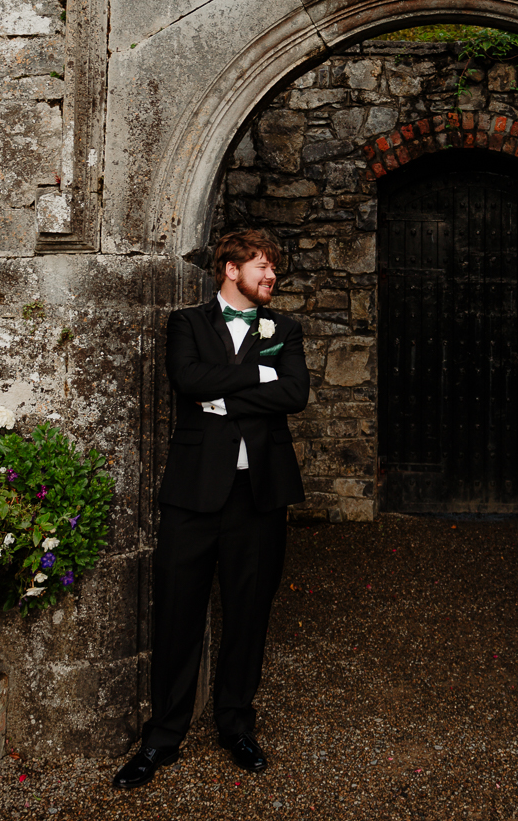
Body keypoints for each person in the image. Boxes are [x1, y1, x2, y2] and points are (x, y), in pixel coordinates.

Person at [112, 229, 309, 789]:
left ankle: (236, 725)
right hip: (193, 496)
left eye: (273, 268)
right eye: (262, 266)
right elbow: (187, 379)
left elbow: (295, 393)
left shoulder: (285, 329)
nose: (271, 276)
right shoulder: (187, 324)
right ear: (230, 269)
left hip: (260, 497)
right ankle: (162, 737)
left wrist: (225, 393)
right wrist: (258, 374)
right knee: (177, 613)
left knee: (249, 615)